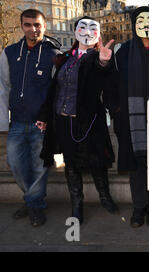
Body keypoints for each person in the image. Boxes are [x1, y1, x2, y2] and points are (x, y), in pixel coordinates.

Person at [36, 16, 118, 225]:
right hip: (63, 120)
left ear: (98, 34)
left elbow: (104, 78)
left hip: (89, 121)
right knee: (71, 164)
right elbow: (55, 89)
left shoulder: (100, 57)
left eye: (93, 29)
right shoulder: (65, 58)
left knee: (97, 162)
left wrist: (103, 62)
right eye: (83, 27)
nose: (88, 32)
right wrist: (44, 116)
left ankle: (105, 197)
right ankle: (77, 203)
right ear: (76, 32)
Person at [105, 6, 149, 228]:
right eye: (140, 21)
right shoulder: (122, 52)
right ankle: (138, 207)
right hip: (130, 120)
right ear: (134, 26)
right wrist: (116, 108)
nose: (145, 25)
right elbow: (110, 85)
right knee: (135, 167)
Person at [0, 9, 60, 227]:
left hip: (40, 124)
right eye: (28, 25)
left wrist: (51, 120)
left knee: (39, 167)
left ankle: (35, 205)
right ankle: (32, 198)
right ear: (21, 26)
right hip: (17, 120)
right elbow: (3, 86)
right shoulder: (9, 52)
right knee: (14, 163)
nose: (33, 29)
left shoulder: (54, 54)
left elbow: (57, 90)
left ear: (44, 25)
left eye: (37, 25)